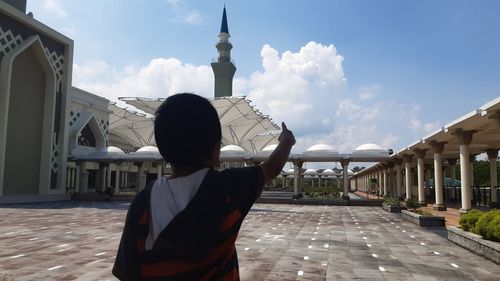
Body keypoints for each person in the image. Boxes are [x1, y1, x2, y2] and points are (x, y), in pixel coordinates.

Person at [113, 93, 295, 280]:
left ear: (162, 150)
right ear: (216, 150)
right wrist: (287, 141)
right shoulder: (230, 188)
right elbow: (271, 168)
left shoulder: (143, 203)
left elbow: (128, 273)